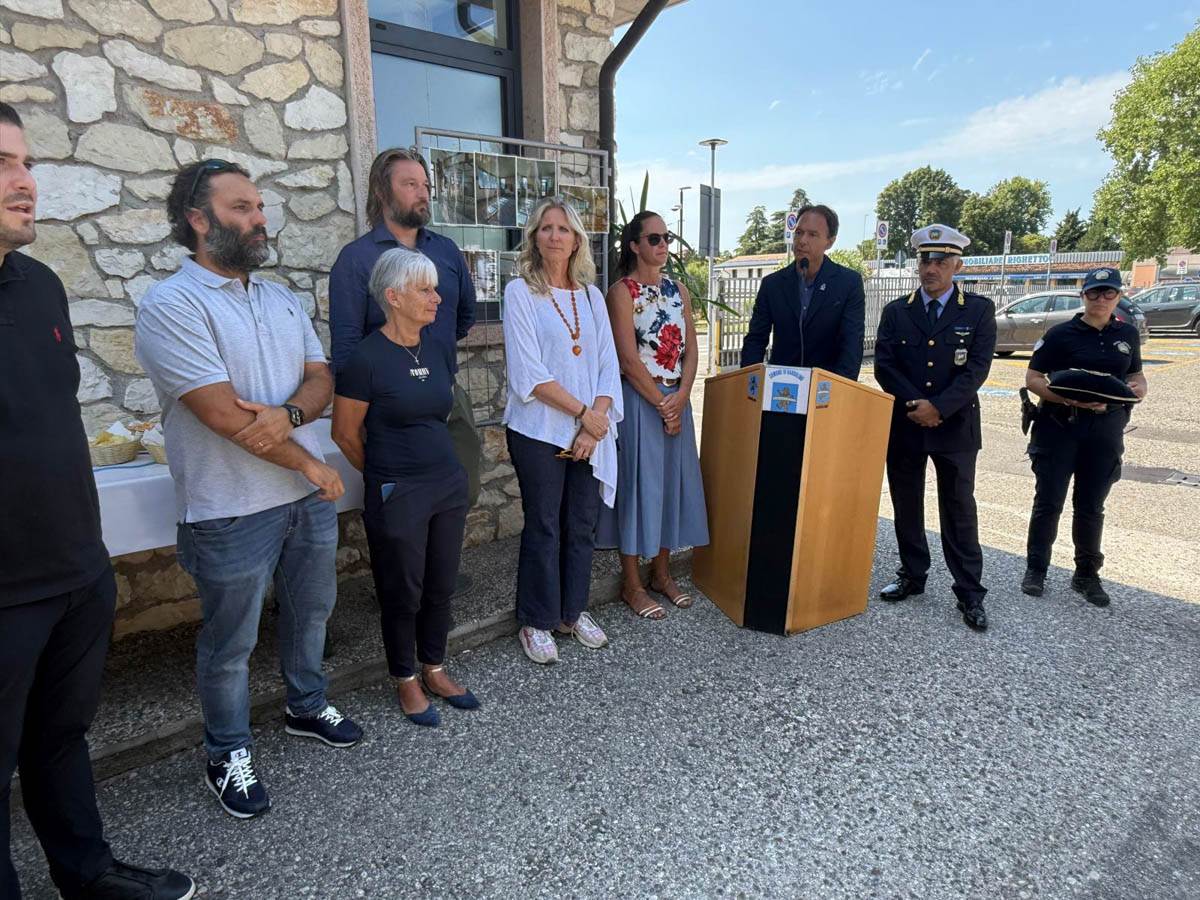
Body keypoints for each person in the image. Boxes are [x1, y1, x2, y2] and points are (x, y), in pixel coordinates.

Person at [0, 102, 194, 900]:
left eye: (27, 162)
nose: (25, 181)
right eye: (3, 164)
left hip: (77, 568)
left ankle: (88, 875)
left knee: (61, 739)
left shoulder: (40, 286)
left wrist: (90, 563)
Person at [135, 159, 363, 820]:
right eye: (242, 208)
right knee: (230, 645)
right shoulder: (171, 305)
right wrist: (313, 464)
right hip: (227, 509)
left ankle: (305, 703)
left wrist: (288, 415)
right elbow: (223, 417)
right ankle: (226, 751)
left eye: (259, 207)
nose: (260, 219)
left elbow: (321, 380)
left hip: (300, 506)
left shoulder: (279, 298)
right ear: (198, 220)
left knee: (311, 613)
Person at [332, 248, 478, 726]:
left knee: (440, 584)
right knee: (402, 590)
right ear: (393, 297)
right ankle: (405, 679)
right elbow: (345, 434)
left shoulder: (436, 346)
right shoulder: (365, 359)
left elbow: (443, 412)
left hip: (445, 484)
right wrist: (385, 477)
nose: (437, 298)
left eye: (436, 288)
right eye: (426, 289)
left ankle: (434, 667)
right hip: (398, 491)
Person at [502, 198, 622, 664]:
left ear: (576, 240)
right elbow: (528, 374)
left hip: (589, 433)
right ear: (535, 237)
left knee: (581, 525)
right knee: (545, 524)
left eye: (564, 229)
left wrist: (595, 424)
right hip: (539, 430)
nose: (555, 236)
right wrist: (584, 415)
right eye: (546, 228)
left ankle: (573, 611)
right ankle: (535, 620)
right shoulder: (520, 293)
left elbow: (608, 366)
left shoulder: (592, 297)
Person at [329, 148, 481, 504]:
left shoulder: (446, 251)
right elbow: (347, 347)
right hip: (388, 407)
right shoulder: (357, 259)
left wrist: (429, 355)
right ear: (382, 192)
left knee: (463, 493)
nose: (423, 192)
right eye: (410, 184)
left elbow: (464, 317)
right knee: (402, 504)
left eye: (425, 184)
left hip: (447, 396)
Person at [873, 225, 997, 632]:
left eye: (941, 261)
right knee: (907, 504)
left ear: (957, 265)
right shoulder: (896, 311)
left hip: (954, 427)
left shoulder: (978, 310)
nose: (931, 268)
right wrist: (917, 406)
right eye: (925, 260)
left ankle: (970, 591)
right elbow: (885, 366)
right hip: (908, 424)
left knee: (959, 508)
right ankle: (913, 575)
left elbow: (976, 369)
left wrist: (938, 408)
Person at [596, 211, 709, 619]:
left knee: (670, 487)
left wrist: (680, 397)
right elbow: (626, 358)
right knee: (637, 487)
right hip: (640, 403)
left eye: (667, 238)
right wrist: (663, 405)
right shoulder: (620, 292)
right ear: (634, 245)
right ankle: (631, 583)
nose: (664, 245)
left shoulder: (680, 290)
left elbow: (692, 350)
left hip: (676, 399)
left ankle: (662, 574)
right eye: (655, 238)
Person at [1020, 267, 1148, 606]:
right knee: (1048, 502)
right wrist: (1065, 398)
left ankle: (1086, 574)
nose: (1101, 299)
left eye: (1109, 293)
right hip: (1060, 425)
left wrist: (1138, 390)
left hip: (1104, 431)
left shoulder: (1127, 336)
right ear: (1083, 295)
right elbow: (1033, 377)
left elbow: (1137, 376)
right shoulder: (1061, 334)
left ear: (1119, 296)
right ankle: (1037, 569)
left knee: (1091, 506)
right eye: (1094, 292)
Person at [739, 204, 866, 380]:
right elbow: (756, 339)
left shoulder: (848, 283)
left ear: (830, 241)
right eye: (798, 233)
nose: (802, 241)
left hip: (825, 392)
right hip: (780, 390)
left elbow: (851, 345)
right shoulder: (772, 285)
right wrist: (749, 383)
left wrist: (838, 392)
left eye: (812, 234)